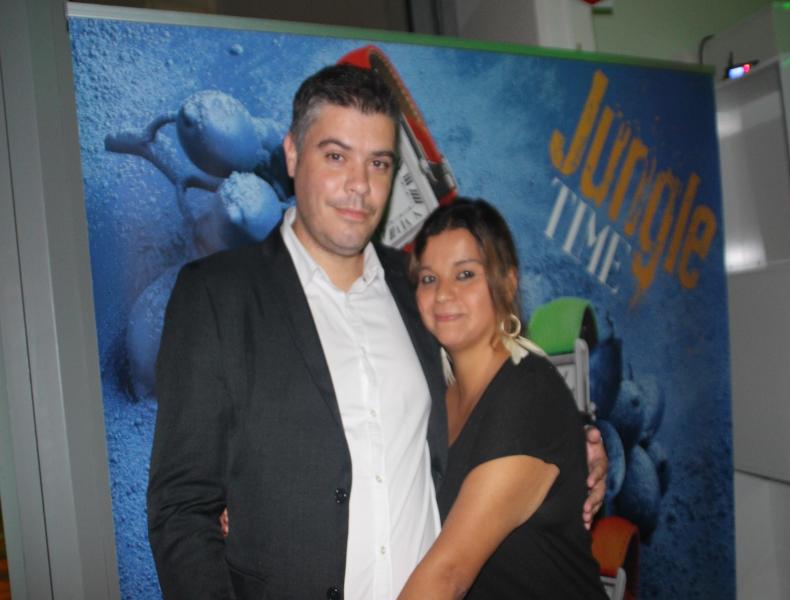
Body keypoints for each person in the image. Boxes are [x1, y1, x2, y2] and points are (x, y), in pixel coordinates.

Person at [148, 64, 606, 600]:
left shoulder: (421, 289)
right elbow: (181, 509)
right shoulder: (217, 294)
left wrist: (577, 447)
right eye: (336, 156)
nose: (359, 185)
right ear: (292, 154)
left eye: (378, 163)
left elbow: (500, 388)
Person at [399, 198, 607, 599]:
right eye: (428, 278)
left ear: (507, 284)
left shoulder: (528, 393)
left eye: (465, 274)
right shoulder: (437, 395)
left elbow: (449, 574)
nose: (443, 294)